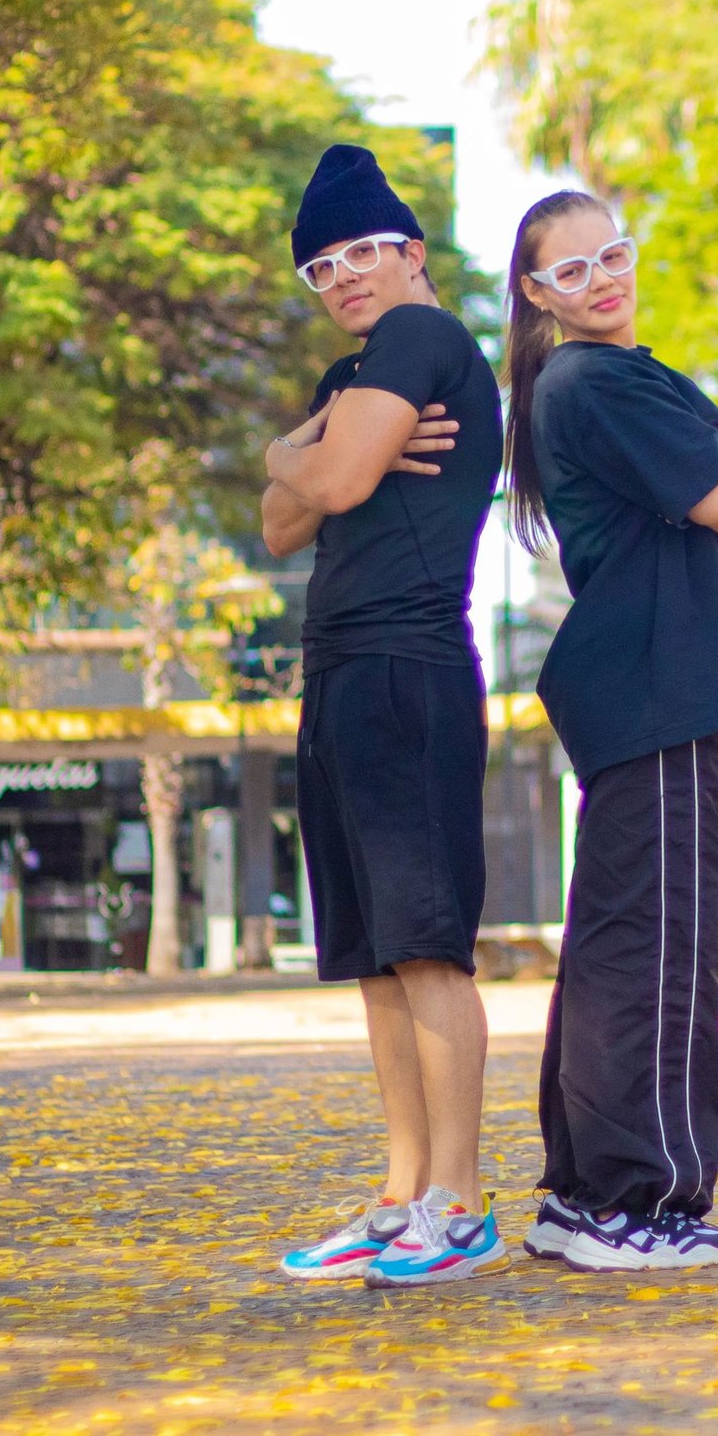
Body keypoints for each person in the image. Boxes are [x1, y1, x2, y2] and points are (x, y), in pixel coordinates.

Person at [500, 189, 718, 1272]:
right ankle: (633, 1201)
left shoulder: (628, 377)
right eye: (570, 272)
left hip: (681, 690)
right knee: (660, 953)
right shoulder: (594, 380)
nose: (601, 279)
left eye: (612, 255)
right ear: (536, 295)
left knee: (633, 944)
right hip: (665, 685)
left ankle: (585, 1195)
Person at [260, 144, 508, 1288]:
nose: (346, 275)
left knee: (426, 950)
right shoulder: (350, 380)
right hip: (340, 674)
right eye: (322, 265)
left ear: (409, 251)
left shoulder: (420, 338)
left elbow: (336, 487)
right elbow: (278, 523)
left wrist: (305, 455)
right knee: (370, 958)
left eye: (363, 251)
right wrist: (303, 452)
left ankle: (457, 1203)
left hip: (408, 668)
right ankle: (400, 1194)